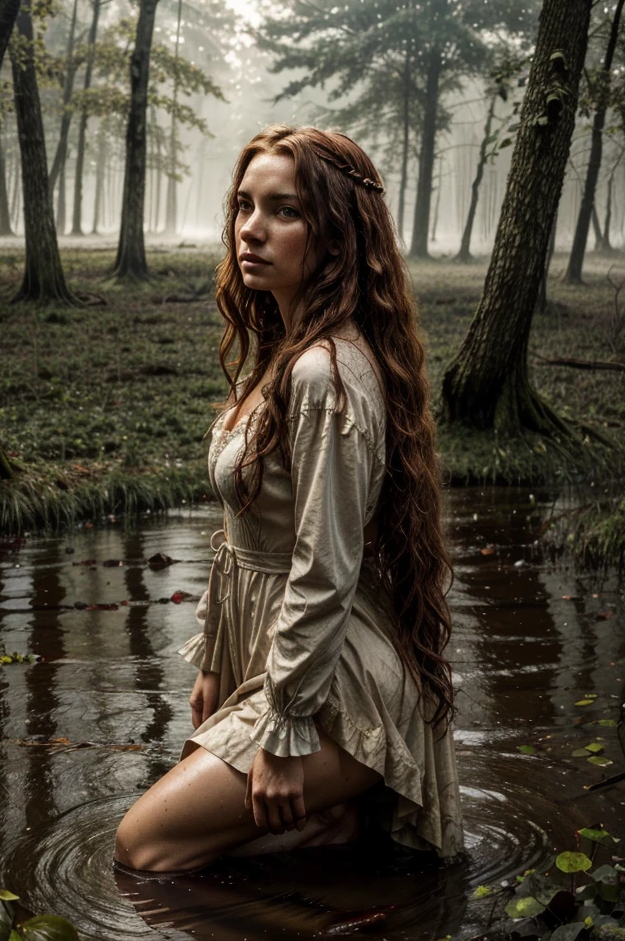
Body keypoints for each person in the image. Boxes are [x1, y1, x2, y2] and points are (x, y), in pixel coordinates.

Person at [114, 124, 464, 874]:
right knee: (203, 850)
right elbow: (240, 531)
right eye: (244, 205)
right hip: (273, 665)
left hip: (334, 693)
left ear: (337, 234)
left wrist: (284, 727)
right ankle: (338, 839)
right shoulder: (276, 361)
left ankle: (341, 832)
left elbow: (324, 569)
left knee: (142, 849)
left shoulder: (325, 377)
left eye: (284, 211)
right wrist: (212, 654)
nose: (251, 229)